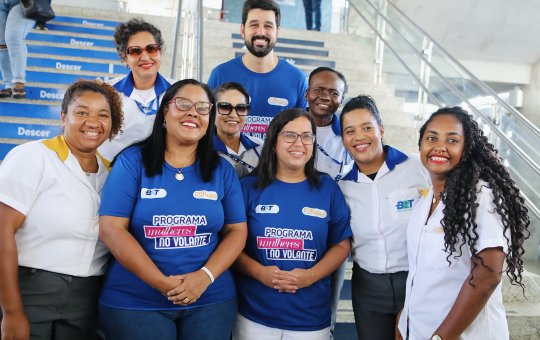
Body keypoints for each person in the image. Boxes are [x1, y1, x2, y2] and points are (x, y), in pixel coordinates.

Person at [98, 79, 248, 340]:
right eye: (183, 104)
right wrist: (159, 282)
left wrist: (205, 276)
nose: (193, 113)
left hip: (210, 298)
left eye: (203, 108)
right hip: (137, 300)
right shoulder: (132, 161)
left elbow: (237, 231)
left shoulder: (222, 170)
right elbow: (112, 228)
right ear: (165, 112)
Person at [0, 80, 123, 339]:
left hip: (87, 299)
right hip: (30, 290)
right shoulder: (33, 157)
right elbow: (2, 232)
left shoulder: (113, 173)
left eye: (103, 115)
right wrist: (12, 312)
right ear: (63, 117)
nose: (93, 122)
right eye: (82, 112)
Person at [397, 107, 530, 340]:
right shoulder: (425, 201)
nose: (439, 146)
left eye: (452, 140)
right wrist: (404, 323)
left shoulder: (480, 195)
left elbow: (488, 273)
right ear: (420, 146)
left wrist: (441, 337)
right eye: (431, 138)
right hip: (420, 330)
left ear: (466, 149)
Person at [233, 108, 352, 339]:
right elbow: (231, 244)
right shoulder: (248, 187)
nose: (299, 143)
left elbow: (341, 245)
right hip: (254, 316)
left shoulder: (327, 189)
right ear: (273, 141)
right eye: (290, 135)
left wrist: (310, 276)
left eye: (307, 136)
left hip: (310, 320)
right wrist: (259, 272)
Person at [337, 95, 430, 340]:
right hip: (367, 286)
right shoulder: (343, 186)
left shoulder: (417, 167)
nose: (359, 137)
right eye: (350, 131)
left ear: (381, 129)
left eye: (367, 127)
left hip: (417, 280)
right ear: (343, 138)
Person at [208, 0, 308, 140]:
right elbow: (208, 128)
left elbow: (302, 134)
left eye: (268, 26)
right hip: (227, 161)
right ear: (242, 30)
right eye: (254, 25)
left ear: (277, 31)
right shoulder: (220, 75)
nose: (261, 32)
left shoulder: (298, 80)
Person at [98, 18, 172, 161]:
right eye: (135, 51)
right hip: (111, 170)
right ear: (124, 58)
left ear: (160, 52)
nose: (145, 57)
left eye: (152, 49)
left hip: (160, 172)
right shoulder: (106, 92)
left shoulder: (179, 91)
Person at [306, 66, 351, 180]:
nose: (325, 97)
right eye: (319, 90)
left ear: (341, 100)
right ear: (307, 94)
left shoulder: (349, 135)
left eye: (334, 93)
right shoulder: (287, 128)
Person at [214, 82, 262, 177]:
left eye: (241, 108)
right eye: (225, 107)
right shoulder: (199, 150)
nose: (233, 115)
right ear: (212, 110)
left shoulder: (262, 148)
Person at [0, 0, 36, 99]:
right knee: (2, 43)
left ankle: (19, 82)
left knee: (13, 37)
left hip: (22, 2)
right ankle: (8, 85)